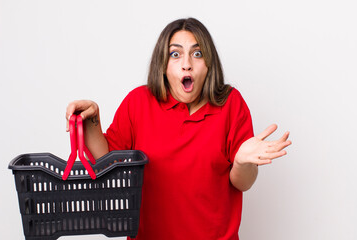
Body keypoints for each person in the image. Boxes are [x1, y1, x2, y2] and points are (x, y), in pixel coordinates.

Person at [66, 18, 291, 240]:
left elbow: (243, 183)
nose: (187, 64)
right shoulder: (139, 102)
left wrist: (243, 162)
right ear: (162, 66)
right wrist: (92, 121)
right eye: (175, 54)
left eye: (197, 53)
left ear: (209, 63)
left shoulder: (231, 103)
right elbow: (107, 164)